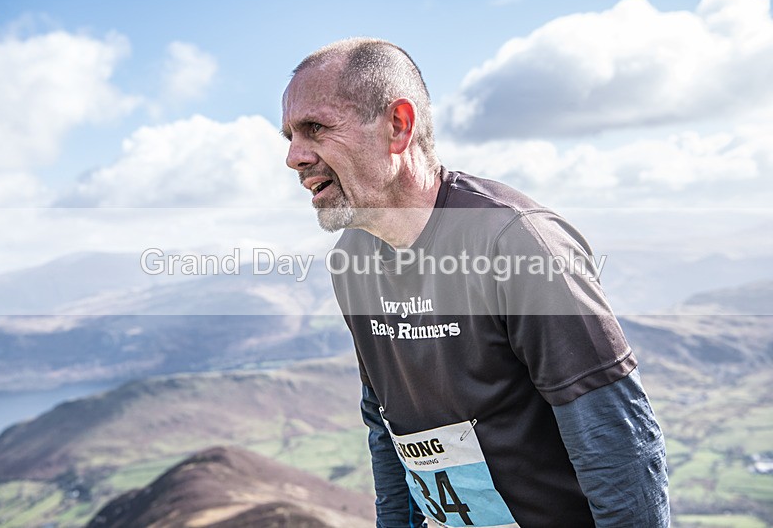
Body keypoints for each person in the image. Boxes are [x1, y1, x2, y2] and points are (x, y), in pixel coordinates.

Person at [281, 37, 669, 528]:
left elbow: (618, 444)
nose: (295, 157)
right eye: (290, 137)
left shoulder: (517, 242)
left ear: (398, 126)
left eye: (315, 128)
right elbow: (386, 427)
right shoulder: (351, 261)